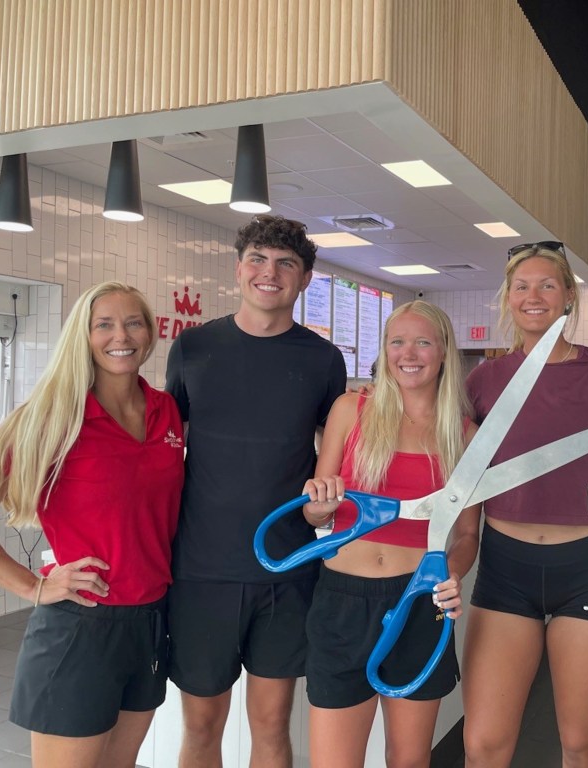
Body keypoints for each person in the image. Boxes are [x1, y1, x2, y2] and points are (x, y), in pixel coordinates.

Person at [0, 282, 184, 767]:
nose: (122, 336)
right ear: (82, 335)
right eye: (104, 324)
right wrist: (32, 587)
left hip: (152, 619)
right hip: (81, 626)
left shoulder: (165, 410)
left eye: (134, 322)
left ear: (150, 334)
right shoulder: (51, 417)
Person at [164, 214, 347, 768]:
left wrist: (326, 511)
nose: (271, 273)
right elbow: (167, 446)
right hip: (201, 568)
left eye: (286, 263)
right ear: (239, 268)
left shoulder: (323, 359)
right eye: (258, 259)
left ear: (306, 278)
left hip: (286, 569)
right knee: (200, 727)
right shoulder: (193, 348)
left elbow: (334, 451)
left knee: (270, 725)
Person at [462, 242, 588, 768]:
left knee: (583, 746)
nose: (533, 295)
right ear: (507, 299)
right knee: (484, 744)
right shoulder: (484, 381)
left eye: (547, 285)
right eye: (521, 286)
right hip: (505, 569)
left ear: (568, 296)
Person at [300, 300, 480, 768]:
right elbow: (315, 514)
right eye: (397, 341)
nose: (409, 353)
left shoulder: (464, 433)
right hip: (342, 602)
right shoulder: (349, 409)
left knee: (409, 760)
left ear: (443, 351)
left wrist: (452, 576)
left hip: (420, 604)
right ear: (384, 349)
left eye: (423, 341)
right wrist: (319, 505)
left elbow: (465, 535)